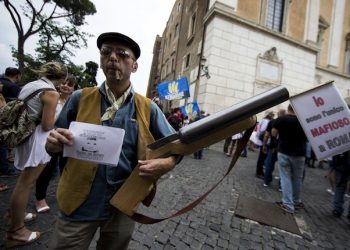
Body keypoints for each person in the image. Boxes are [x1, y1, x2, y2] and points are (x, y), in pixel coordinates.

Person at [45, 32, 179, 250]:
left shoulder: (148, 108)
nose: (112, 57)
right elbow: (55, 139)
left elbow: (176, 146)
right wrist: (52, 145)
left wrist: (167, 163)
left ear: (134, 66)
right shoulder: (80, 98)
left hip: (123, 203)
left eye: (122, 54)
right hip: (78, 202)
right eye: (106, 52)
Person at [5, 62, 67, 248]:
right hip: (37, 140)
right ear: (62, 78)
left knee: (23, 180)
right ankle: (17, 231)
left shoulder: (32, 85)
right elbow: (48, 125)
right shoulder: (51, 92)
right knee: (27, 183)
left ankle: (14, 213)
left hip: (24, 136)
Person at [35, 75, 77, 213]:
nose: (65, 86)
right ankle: (40, 199)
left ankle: (64, 195)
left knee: (64, 170)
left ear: (74, 89)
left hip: (68, 142)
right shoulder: (52, 98)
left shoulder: (75, 103)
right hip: (49, 139)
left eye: (69, 85)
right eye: (64, 83)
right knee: (46, 170)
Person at [272, 104, 307, 214]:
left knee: (285, 177)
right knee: (297, 178)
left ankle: (288, 204)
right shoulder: (303, 120)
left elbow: (273, 132)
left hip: (284, 151)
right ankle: (296, 202)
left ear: (288, 109)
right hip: (300, 153)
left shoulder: (281, 119)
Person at [0, 67, 22, 178]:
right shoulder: (13, 87)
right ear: (17, 75)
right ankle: (3, 169)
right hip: (5, 117)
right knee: (3, 142)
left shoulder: (1, 82)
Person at [263, 108, 286, 187]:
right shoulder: (287, 122)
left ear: (278, 114)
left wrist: (264, 145)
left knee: (269, 164)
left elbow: (266, 135)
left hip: (272, 146)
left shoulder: (272, 122)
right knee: (283, 168)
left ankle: (266, 181)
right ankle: (281, 185)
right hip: (283, 148)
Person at [330, 150, 350, 221]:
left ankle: (337, 209)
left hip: (340, 167)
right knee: (339, 187)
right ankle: (338, 208)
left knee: (339, 187)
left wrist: (332, 168)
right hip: (341, 167)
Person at [255, 111, 275, 178]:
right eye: (272, 115)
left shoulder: (263, 120)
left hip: (262, 140)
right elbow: (263, 130)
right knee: (262, 157)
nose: (273, 116)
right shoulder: (266, 121)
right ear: (269, 115)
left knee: (262, 157)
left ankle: (259, 171)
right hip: (264, 141)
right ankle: (259, 172)